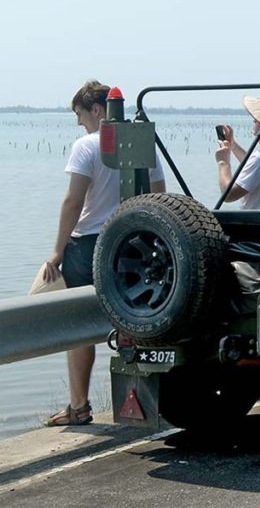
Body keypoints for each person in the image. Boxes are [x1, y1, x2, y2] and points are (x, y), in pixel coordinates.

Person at [43, 80, 167, 426]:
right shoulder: (143, 145)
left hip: (88, 246)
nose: (79, 123)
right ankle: (149, 403)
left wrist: (56, 251)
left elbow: (73, 201)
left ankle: (79, 406)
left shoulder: (86, 146)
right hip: (132, 245)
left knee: (78, 326)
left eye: (80, 115)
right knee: (135, 322)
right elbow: (159, 194)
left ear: (97, 110)